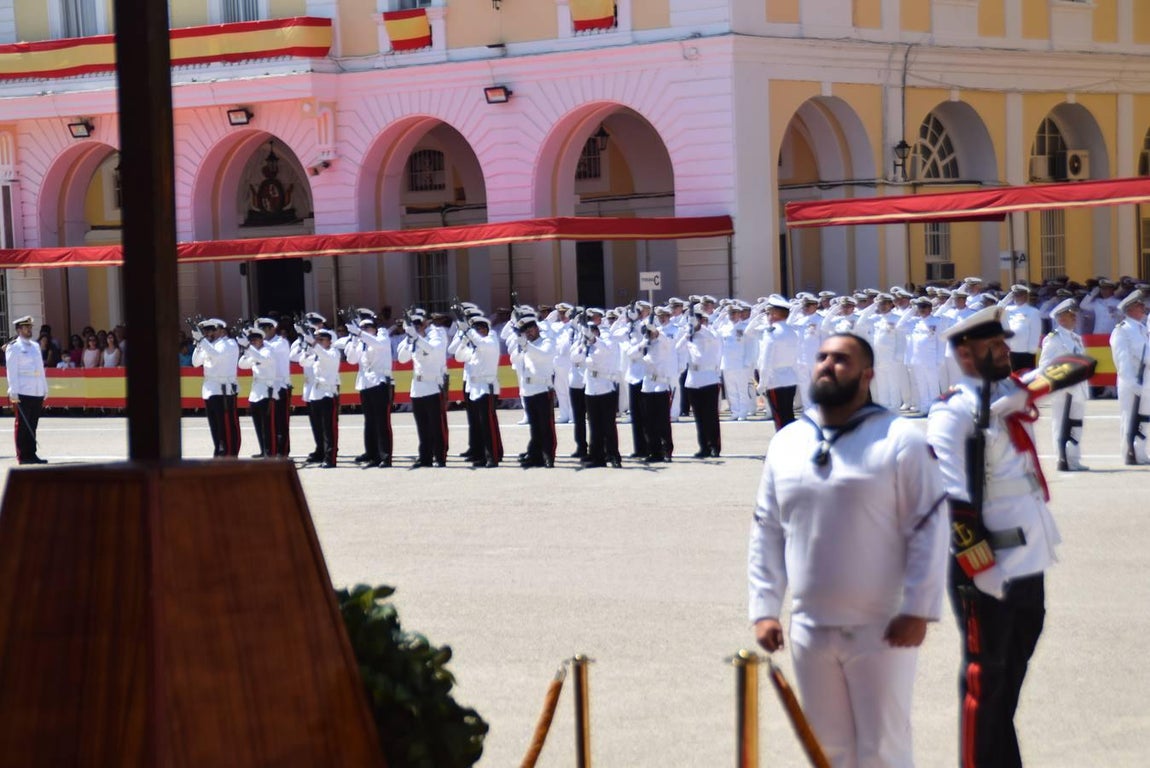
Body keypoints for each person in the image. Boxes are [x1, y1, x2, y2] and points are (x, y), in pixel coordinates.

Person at [749, 333, 948, 768]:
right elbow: (767, 529)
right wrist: (765, 607)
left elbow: (930, 526)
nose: (827, 366)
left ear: (868, 375)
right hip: (809, 626)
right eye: (822, 357)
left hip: (880, 627)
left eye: (841, 360)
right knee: (827, 749)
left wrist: (918, 607)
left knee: (884, 748)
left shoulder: (899, 438)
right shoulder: (788, 441)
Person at [927, 307, 1063, 768]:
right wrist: (981, 568)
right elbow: (954, 502)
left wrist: (1019, 397)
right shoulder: (952, 411)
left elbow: (1078, 367)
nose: (1005, 350)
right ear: (965, 354)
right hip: (988, 568)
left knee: (1009, 682)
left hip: (1029, 558)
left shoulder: (1010, 389)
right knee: (986, 681)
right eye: (994, 346)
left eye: (1004, 343)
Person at [1040, 299, 1090, 471]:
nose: (1074, 319)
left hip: (1078, 389)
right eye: (1070, 316)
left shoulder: (1076, 338)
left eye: (1074, 316)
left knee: (1075, 425)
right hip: (1063, 390)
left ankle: (1074, 459)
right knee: (1061, 424)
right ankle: (1062, 458)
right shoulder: (1053, 339)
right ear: (1060, 319)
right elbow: (1045, 366)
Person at [396, 308, 449, 468]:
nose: (417, 326)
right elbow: (402, 358)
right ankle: (425, 456)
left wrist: (416, 338)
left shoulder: (437, 333)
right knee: (422, 425)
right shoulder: (413, 336)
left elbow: (432, 350)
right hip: (417, 385)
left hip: (433, 384)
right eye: (414, 324)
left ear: (426, 322)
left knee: (436, 424)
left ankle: (440, 456)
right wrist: (410, 338)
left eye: (419, 323)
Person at [453, 316, 503, 468]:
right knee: (479, 425)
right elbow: (458, 356)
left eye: (480, 329)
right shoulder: (474, 347)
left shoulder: (490, 342)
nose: (477, 332)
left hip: (486, 388)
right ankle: (482, 455)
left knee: (488, 425)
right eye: (476, 330)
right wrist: (463, 339)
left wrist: (468, 330)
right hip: (474, 388)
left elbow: (480, 342)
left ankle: (492, 457)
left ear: (486, 330)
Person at [345, 315, 394, 468]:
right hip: (365, 384)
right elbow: (351, 360)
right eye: (362, 328)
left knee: (382, 422)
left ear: (374, 328)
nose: (364, 330)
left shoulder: (382, 336)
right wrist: (354, 339)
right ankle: (372, 453)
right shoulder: (361, 342)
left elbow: (379, 345)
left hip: (379, 383)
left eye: (367, 327)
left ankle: (385, 456)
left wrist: (360, 334)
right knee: (370, 421)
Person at [509, 315, 557, 468]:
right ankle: (535, 456)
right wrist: (520, 345)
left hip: (542, 389)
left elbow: (542, 356)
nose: (528, 333)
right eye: (525, 331)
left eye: (530, 329)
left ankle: (548, 455)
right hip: (528, 390)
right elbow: (513, 360)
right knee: (534, 426)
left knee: (546, 426)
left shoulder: (546, 342)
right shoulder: (524, 345)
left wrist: (526, 346)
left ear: (536, 328)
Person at [1109, 290, 1150, 465]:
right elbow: (1122, 359)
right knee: (1130, 417)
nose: (1144, 308)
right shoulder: (1122, 330)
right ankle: (1129, 453)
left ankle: (1141, 452)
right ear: (1131, 308)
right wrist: (1131, 382)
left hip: (1145, 381)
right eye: (1140, 306)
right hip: (1132, 381)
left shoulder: (1142, 329)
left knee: (1144, 418)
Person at [191, 318, 241, 457]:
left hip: (224, 390)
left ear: (222, 330)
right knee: (215, 425)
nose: (209, 333)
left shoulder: (229, 343)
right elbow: (195, 362)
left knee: (227, 424)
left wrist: (202, 341)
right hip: (210, 389)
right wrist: (199, 344)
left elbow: (216, 354)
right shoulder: (209, 345)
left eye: (212, 330)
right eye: (207, 331)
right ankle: (219, 450)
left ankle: (230, 452)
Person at [678, 304, 722, 458]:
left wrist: (699, 327)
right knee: (699, 417)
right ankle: (703, 447)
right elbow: (677, 349)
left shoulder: (709, 333)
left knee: (711, 416)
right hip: (692, 379)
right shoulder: (688, 335)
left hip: (708, 377)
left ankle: (714, 446)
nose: (691, 324)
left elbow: (713, 338)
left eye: (694, 320)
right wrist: (686, 335)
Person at [6, 316, 49, 464]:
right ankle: (22, 456)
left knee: (32, 424)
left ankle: (32, 454)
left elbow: (40, 370)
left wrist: (44, 388)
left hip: (36, 391)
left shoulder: (35, 346)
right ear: (19, 330)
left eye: (30, 327)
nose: (29, 330)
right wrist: (13, 390)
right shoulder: (14, 347)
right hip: (22, 391)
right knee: (22, 425)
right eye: (26, 327)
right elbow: (11, 371)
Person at [756, 296, 799, 430]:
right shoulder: (792, 331)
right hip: (790, 378)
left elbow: (766, 361)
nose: (768, 316)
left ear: (774, 314)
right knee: (788, 415)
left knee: (779, 417)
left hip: (775, 379)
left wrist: (762, 383)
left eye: (769, 313)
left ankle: (783, 447)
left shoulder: (772, 333)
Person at [303, 328, 342, 468]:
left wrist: (313, 344)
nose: (319, 342)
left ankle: (330, 457)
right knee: (319, 428)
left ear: (329, 341)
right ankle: (321, 453)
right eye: (317, 339)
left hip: (328, 394)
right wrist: (307, 348)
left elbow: (325, 356)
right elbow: (303, 362)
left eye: (321, 340)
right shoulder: (317, 354)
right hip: (316, 393)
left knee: (329, 428)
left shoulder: (333, 352)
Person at [237, 326, 277, 458]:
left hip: (267, 391)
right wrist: (246, 351)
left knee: (268, 425)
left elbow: (262, 359)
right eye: (251, 340)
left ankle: (270, 452)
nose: (253, 342)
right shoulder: (253, 352)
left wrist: (249, 348)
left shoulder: (268, 350)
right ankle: (263, 450)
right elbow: (242, 365)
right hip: (255, 393)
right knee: (259, 425)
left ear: (261, 340)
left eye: (255, 340)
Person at [257, 317, 293, 458]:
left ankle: (283, 451)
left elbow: (269, 350)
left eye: (265, 329)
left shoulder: (281, 342)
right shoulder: (264, 344)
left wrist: (254, 342)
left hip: (281, 385)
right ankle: (268, 449)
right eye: (261, 330)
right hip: (268, 386)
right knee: (267, 421)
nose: (263, 332)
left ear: (273, 328)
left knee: (281, 421)